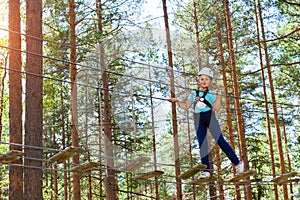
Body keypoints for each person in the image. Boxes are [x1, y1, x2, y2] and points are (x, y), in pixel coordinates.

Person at [168, 67, 244, 178]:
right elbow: (186, 106)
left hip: (209, 116)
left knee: (220, 140)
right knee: (202, 144)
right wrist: (177, 101)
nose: (204, 81)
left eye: (206, 79)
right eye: (202, 79)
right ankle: (206, 170)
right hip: (198, 119)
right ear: (199, 80)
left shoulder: (211, 93)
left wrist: (218, 98)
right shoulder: (194, 93)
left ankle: (238, 163)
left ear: (210, 81)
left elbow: (217, 108)